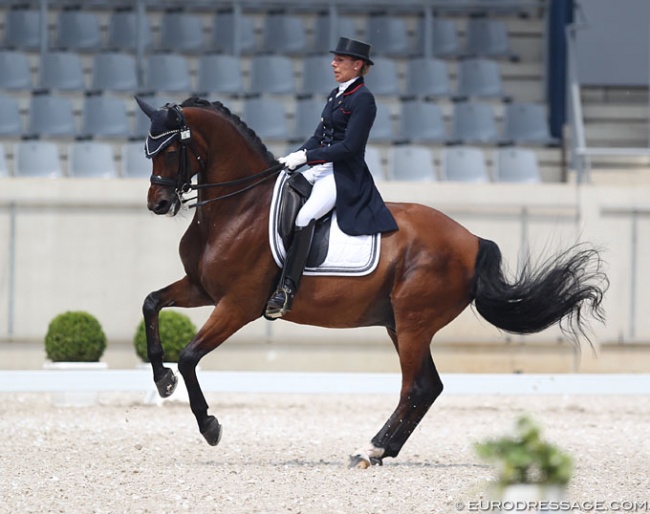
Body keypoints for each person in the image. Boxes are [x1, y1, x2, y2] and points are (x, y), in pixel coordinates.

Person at [265, 36, 398, 319]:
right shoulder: (336, 94)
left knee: (304, 217)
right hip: (320, 169)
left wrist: (307, 159)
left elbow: (350, 147)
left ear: (357, 65)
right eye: (335, 59)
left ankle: (287, 289)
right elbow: (318, 136)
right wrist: (294, 156)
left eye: (340, 60)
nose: (333, 64)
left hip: (342, 175)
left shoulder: (364, 99)